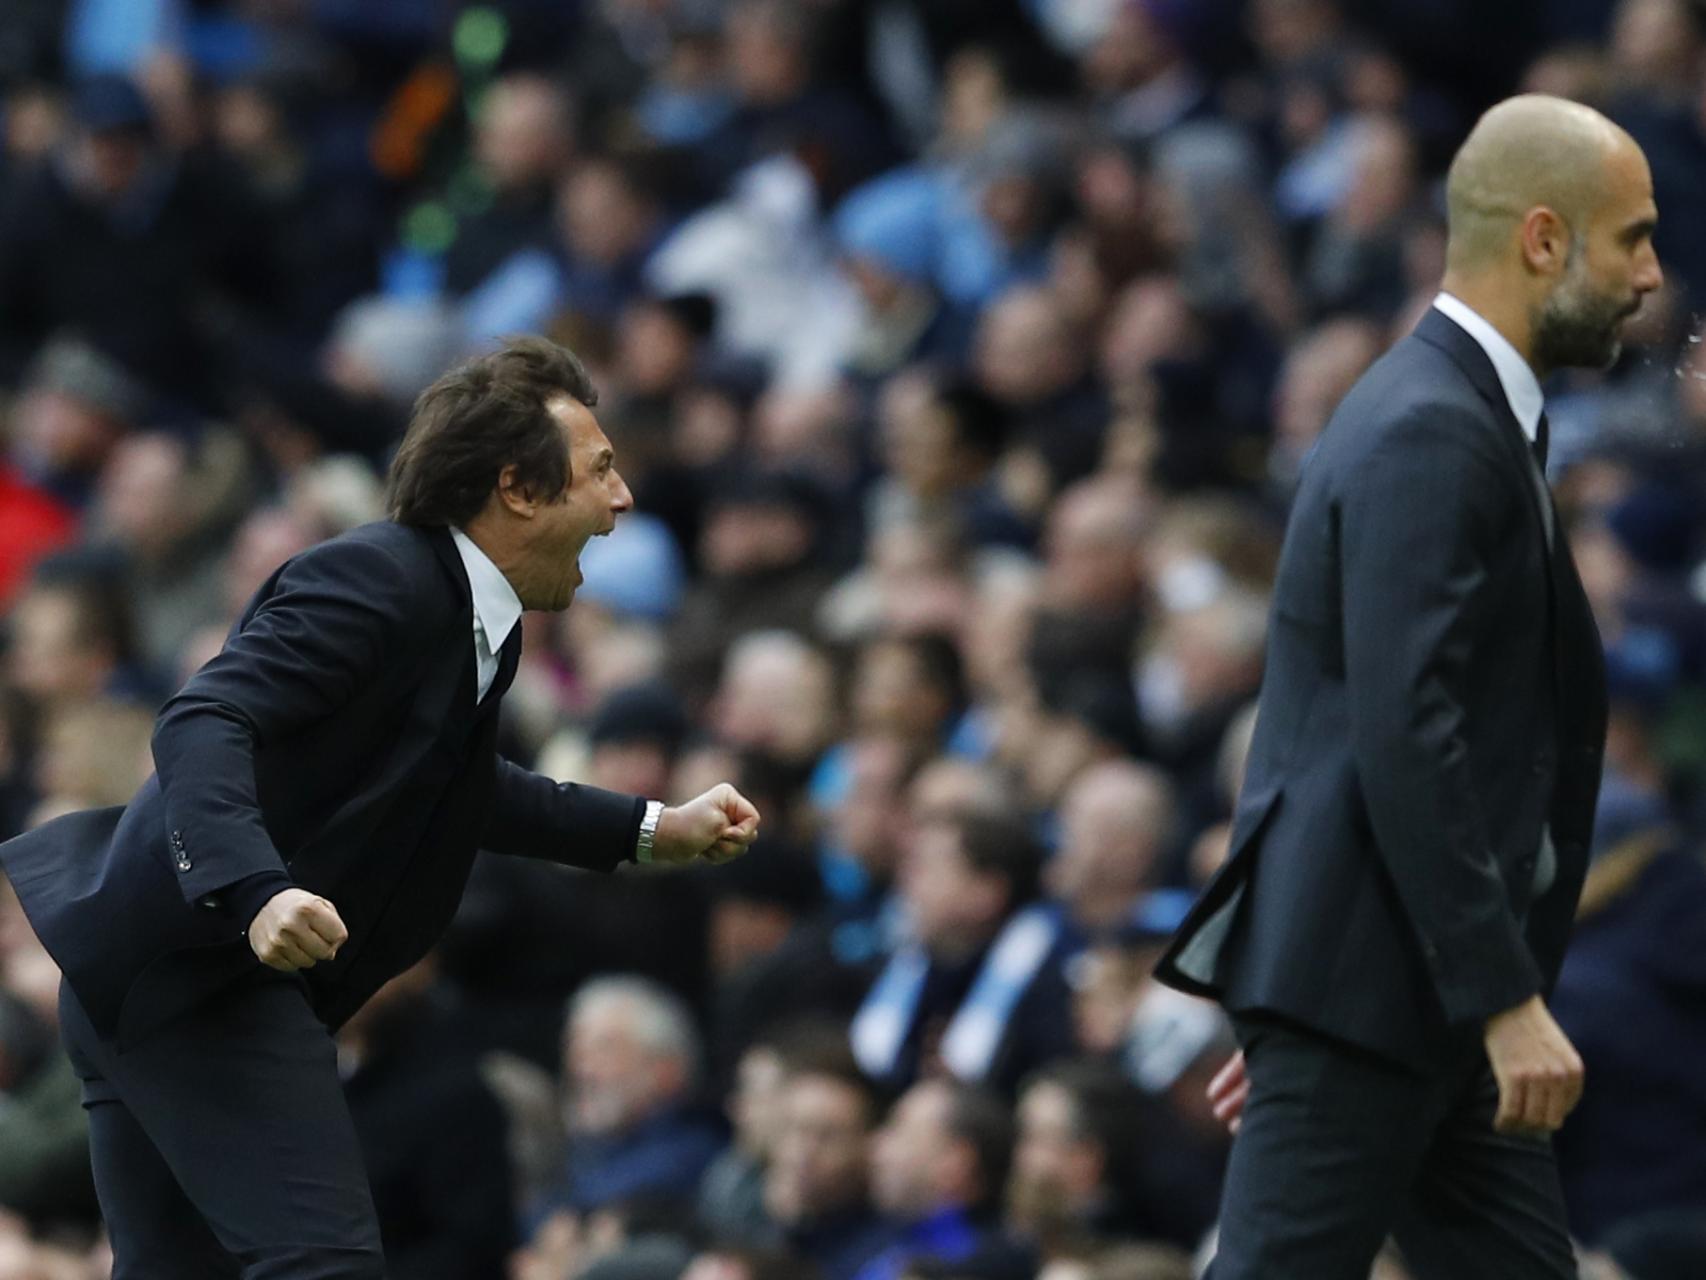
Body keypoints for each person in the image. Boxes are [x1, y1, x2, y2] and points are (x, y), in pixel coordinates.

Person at [0, 336, 761, 1278]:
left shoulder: (475, 612)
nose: (623, 499)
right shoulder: (376, 578)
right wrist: (256, 892)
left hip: (156, 970)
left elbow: (467, 791)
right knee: (325, 1265)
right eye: (600, 471)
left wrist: (652, 829)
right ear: (518, 488)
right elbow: (205, 717)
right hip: (205, 976)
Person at [1155, 95, 1662, 1278]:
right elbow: (1402, 728)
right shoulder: (1432, 426)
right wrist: (1486, 996)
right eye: (1630, 237)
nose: (1648, 277)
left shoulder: (1460, 414)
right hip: (1390, 995)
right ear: (1542, 239)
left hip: (1391, 1000)